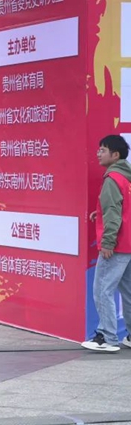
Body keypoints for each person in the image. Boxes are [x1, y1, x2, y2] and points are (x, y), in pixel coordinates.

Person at [82, 135, 131, 352]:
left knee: (102, 289)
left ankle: (107, 337)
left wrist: (108, 242)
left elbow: (114, 213)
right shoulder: (127, 177)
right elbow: (121, 209)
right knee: (128, 292)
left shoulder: (112, 178)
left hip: (117, 245)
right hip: (128, 243)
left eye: (102, 149)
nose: (98, 153)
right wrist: (99, 213)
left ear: (115, 155)